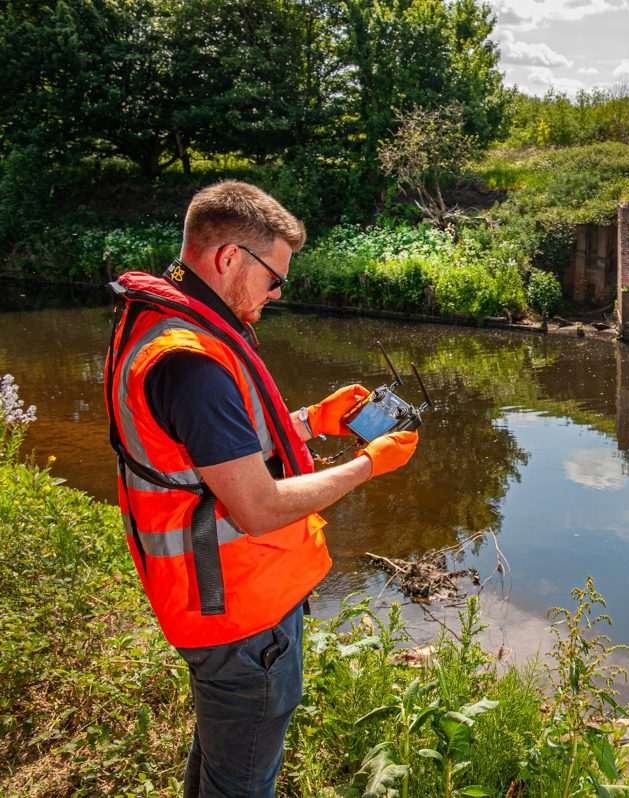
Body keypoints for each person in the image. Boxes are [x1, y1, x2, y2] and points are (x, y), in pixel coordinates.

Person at [103, 180, 418, 797]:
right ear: (228, 259)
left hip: (210, 600)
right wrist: (367, 464)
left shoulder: (159, 324)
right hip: (237, 612)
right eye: (275, 277)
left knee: (226, 757)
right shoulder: (192, 362)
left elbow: (207, 455)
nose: (277, 292)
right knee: (243, 780)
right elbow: (257, 505)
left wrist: (310, 420)